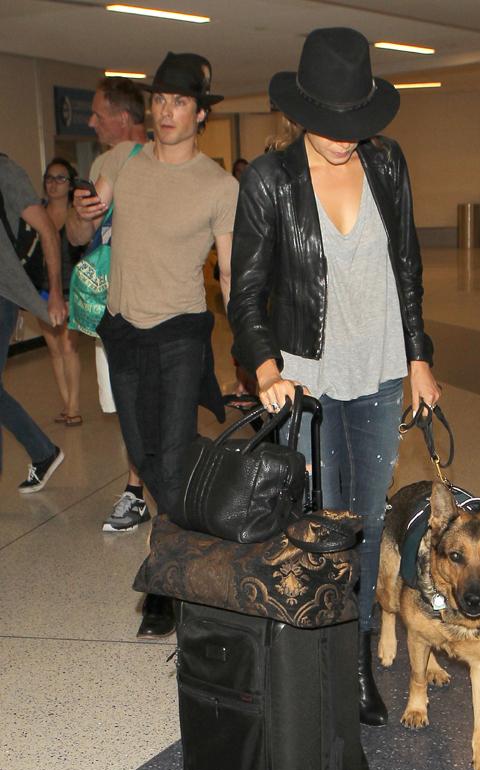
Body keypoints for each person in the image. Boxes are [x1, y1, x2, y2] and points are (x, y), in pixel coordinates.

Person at [228, 27, 439, 726]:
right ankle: (316, 652)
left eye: (358, 122)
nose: (346, 137)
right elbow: (246, 290)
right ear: (302, 110)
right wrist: (264, 366)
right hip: (308, 380)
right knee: (320, 524)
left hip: (380, 372)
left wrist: (419, 357)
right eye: (333, 123)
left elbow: (407, 265)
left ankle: (356, 661)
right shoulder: (269, 181)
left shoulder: (388, 164)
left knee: (369, 518)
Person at [69, 52, 238, 637]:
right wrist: (83, 213)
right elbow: (80, 230)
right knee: (144, 458)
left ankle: (168, 580)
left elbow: (231, 275)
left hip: (179, 333)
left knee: (169, 453)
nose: (167, 111)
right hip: (123, 332)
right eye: (161, 100)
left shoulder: (219, 184)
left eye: (180, 103)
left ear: (199, 115)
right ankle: (203, 542)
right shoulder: (121, 159)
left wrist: (253, 348)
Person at [72, 77, 149, 532]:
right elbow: (81, 237)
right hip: (112, 302)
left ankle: (139, 489)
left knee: (152, 401)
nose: (91, 122)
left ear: (122, 117)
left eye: (98, 114)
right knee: (128, 402)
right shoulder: (106, 162)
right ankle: (139, 487)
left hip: (159, 302)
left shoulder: (165, 162)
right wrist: (80, 217)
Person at [0, 154, 66, 492]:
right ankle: (42, 451)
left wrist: (54, 292)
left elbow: (48, 230)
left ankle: (43, 451)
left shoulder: (6, 172)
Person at [28, 158, 84, 426]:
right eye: (49, 178)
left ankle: (74, 406)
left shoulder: (77, 215)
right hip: (42, 289)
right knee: (53, 349)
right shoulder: (36, 213)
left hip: (70, 289)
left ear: (70, 183)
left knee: (68, 346)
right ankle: (65, 404)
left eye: (60, 178)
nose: (53, 183)